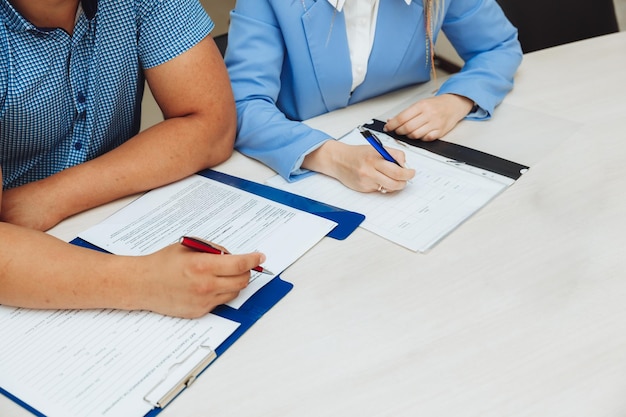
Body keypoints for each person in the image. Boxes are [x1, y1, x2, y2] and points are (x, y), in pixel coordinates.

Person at [0, 0, 265, 318]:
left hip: (109, 215)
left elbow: (212, 125)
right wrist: (146, 282)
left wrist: (49, 198)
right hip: (20, 265)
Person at [225, 0, 523, 193]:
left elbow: (497, 47)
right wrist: (332, 156)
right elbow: (242, 105)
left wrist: (456, 100)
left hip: (409, 159)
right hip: (293, 166)